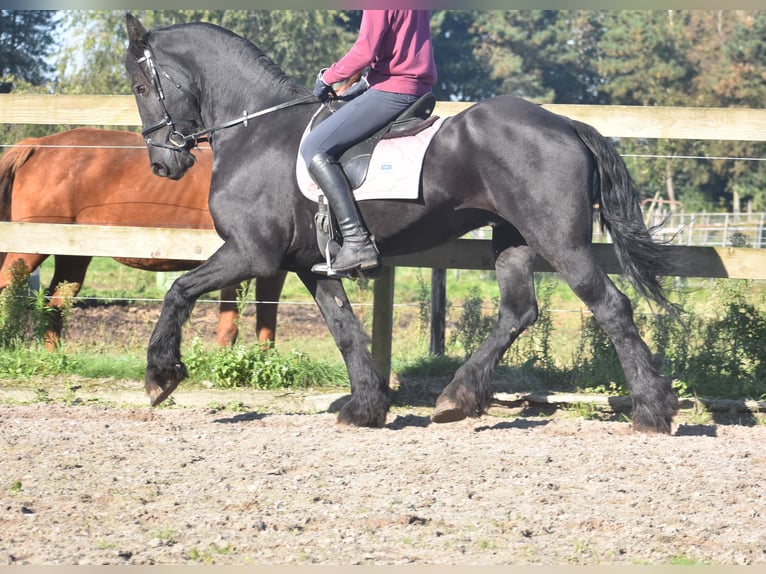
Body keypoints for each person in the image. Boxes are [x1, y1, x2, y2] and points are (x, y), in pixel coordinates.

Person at [300, 10, 437, 276]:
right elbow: (397, 46)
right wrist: (364, 83)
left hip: (394, 89)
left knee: (314, 147)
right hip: (411, 86)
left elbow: (365, 50)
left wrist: (328, 77)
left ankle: (355, 241)